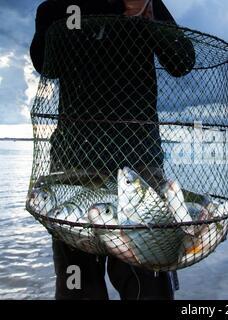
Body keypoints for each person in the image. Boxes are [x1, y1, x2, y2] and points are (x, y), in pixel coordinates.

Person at [30, 0, 195, 300]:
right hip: (73, 172)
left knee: (148, 285)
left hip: (139, 169)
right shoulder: (54, 8)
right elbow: (46, 66)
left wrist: (147, 15)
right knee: (78, 287)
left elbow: (182, 61)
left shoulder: (147, 1)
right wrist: (69, 14)